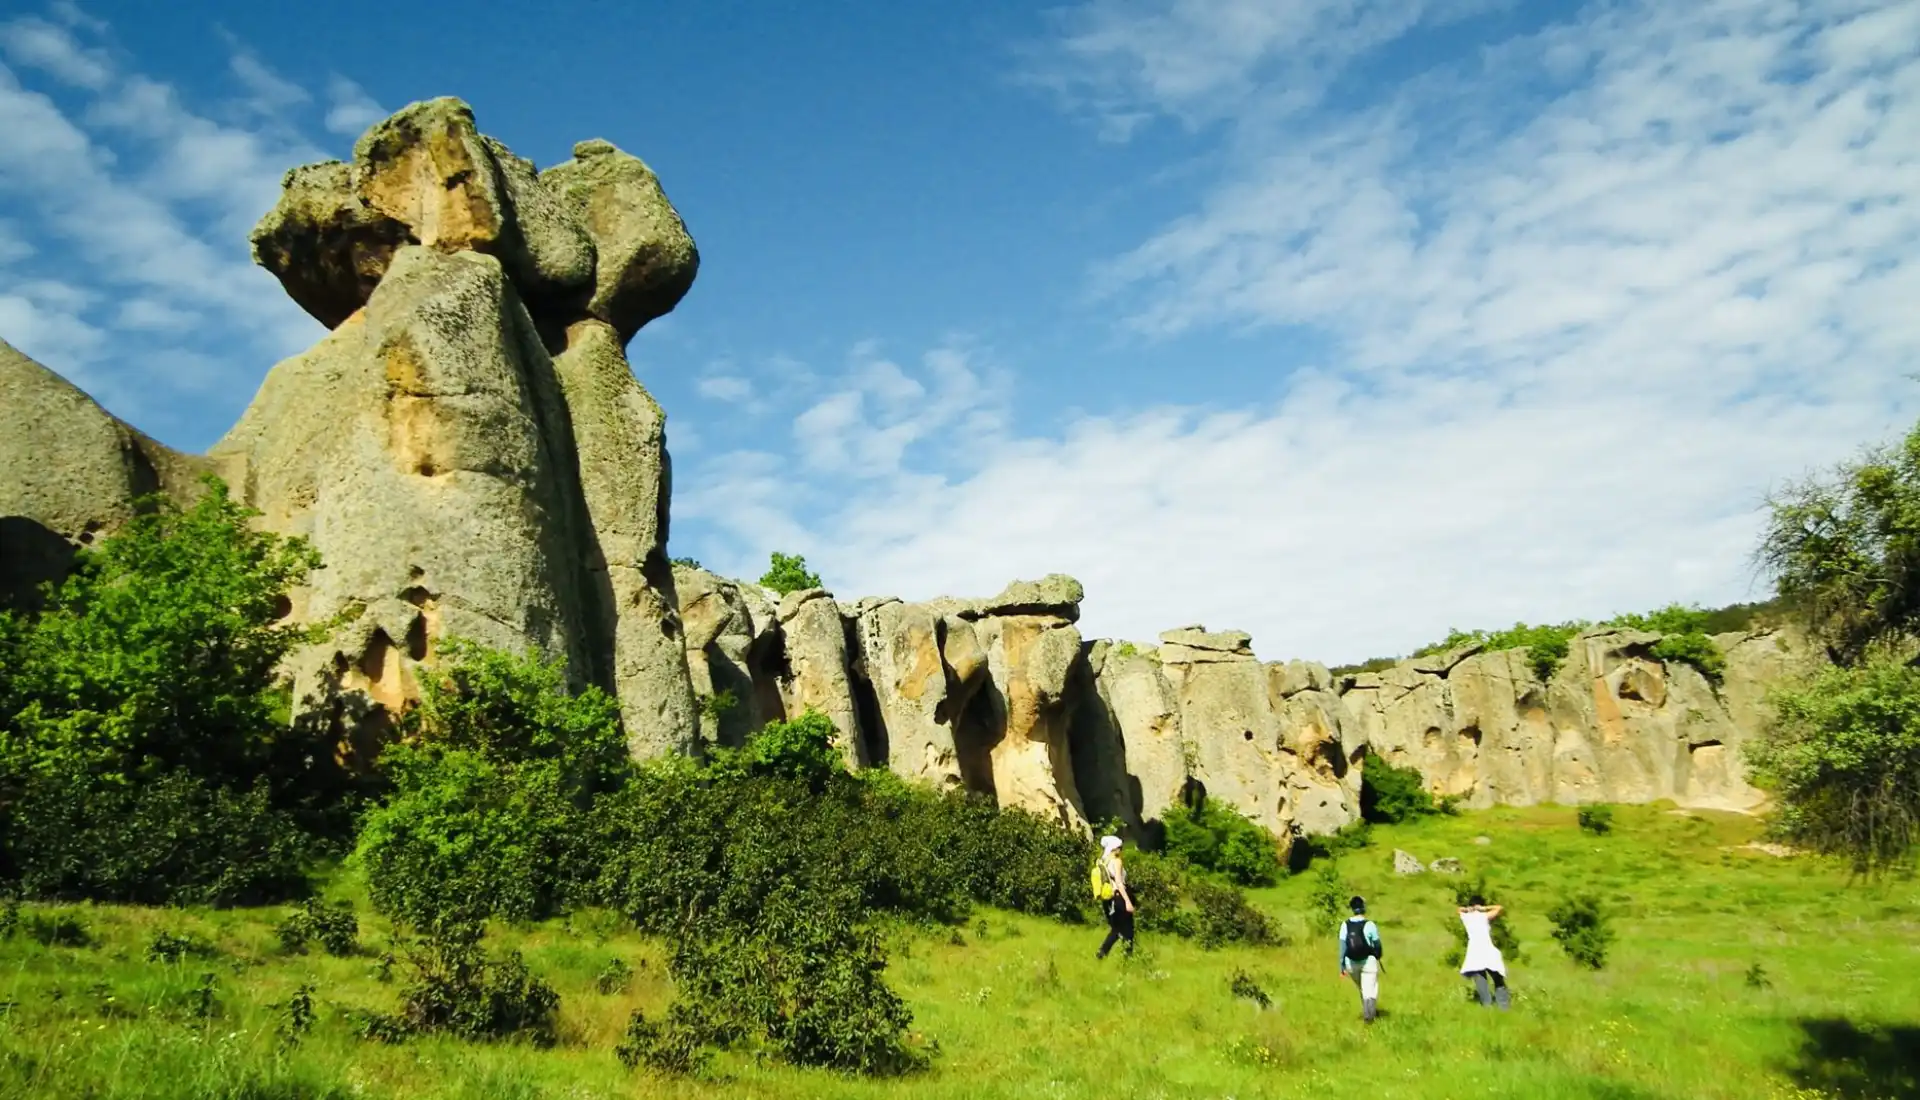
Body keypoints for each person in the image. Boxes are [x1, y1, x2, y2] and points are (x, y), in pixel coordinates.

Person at [1458, 894, 1511, 1010]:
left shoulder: (1466, 917)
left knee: (1481, 982)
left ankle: (1487, 1006)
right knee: (1498, 979)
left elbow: (1458, 909)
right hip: (1487, 950)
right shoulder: (1484, 916)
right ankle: (1504, 1006)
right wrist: (1483, 908)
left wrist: (1468, 909)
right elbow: (1499, 908)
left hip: (1474, 952)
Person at [1338, 895, 1383, 1022]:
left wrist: (1341, 966)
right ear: (1363, 908)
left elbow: (1342, 947)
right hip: (1368, 961)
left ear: (1352, 908)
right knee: (1370, 988)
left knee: (1363, 987)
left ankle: (1367, 1012)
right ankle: (1369, 1016)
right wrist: (1378, 955)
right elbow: (1377, 945)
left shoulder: (1345, 925)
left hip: (1351, 963)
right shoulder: (1370, 924)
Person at [1093, 834, 1135, 959]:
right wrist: (1128, 902)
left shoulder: (1103, 861)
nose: (1121, 850)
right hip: (1119, 898)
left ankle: (1102, 954)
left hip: (1108, 899)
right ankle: (1128, 960)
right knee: (1128, 931)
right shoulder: (1116, 861)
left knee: (1116, 930)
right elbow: (1119, 882)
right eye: (1120, 847)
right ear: (1114, 848)